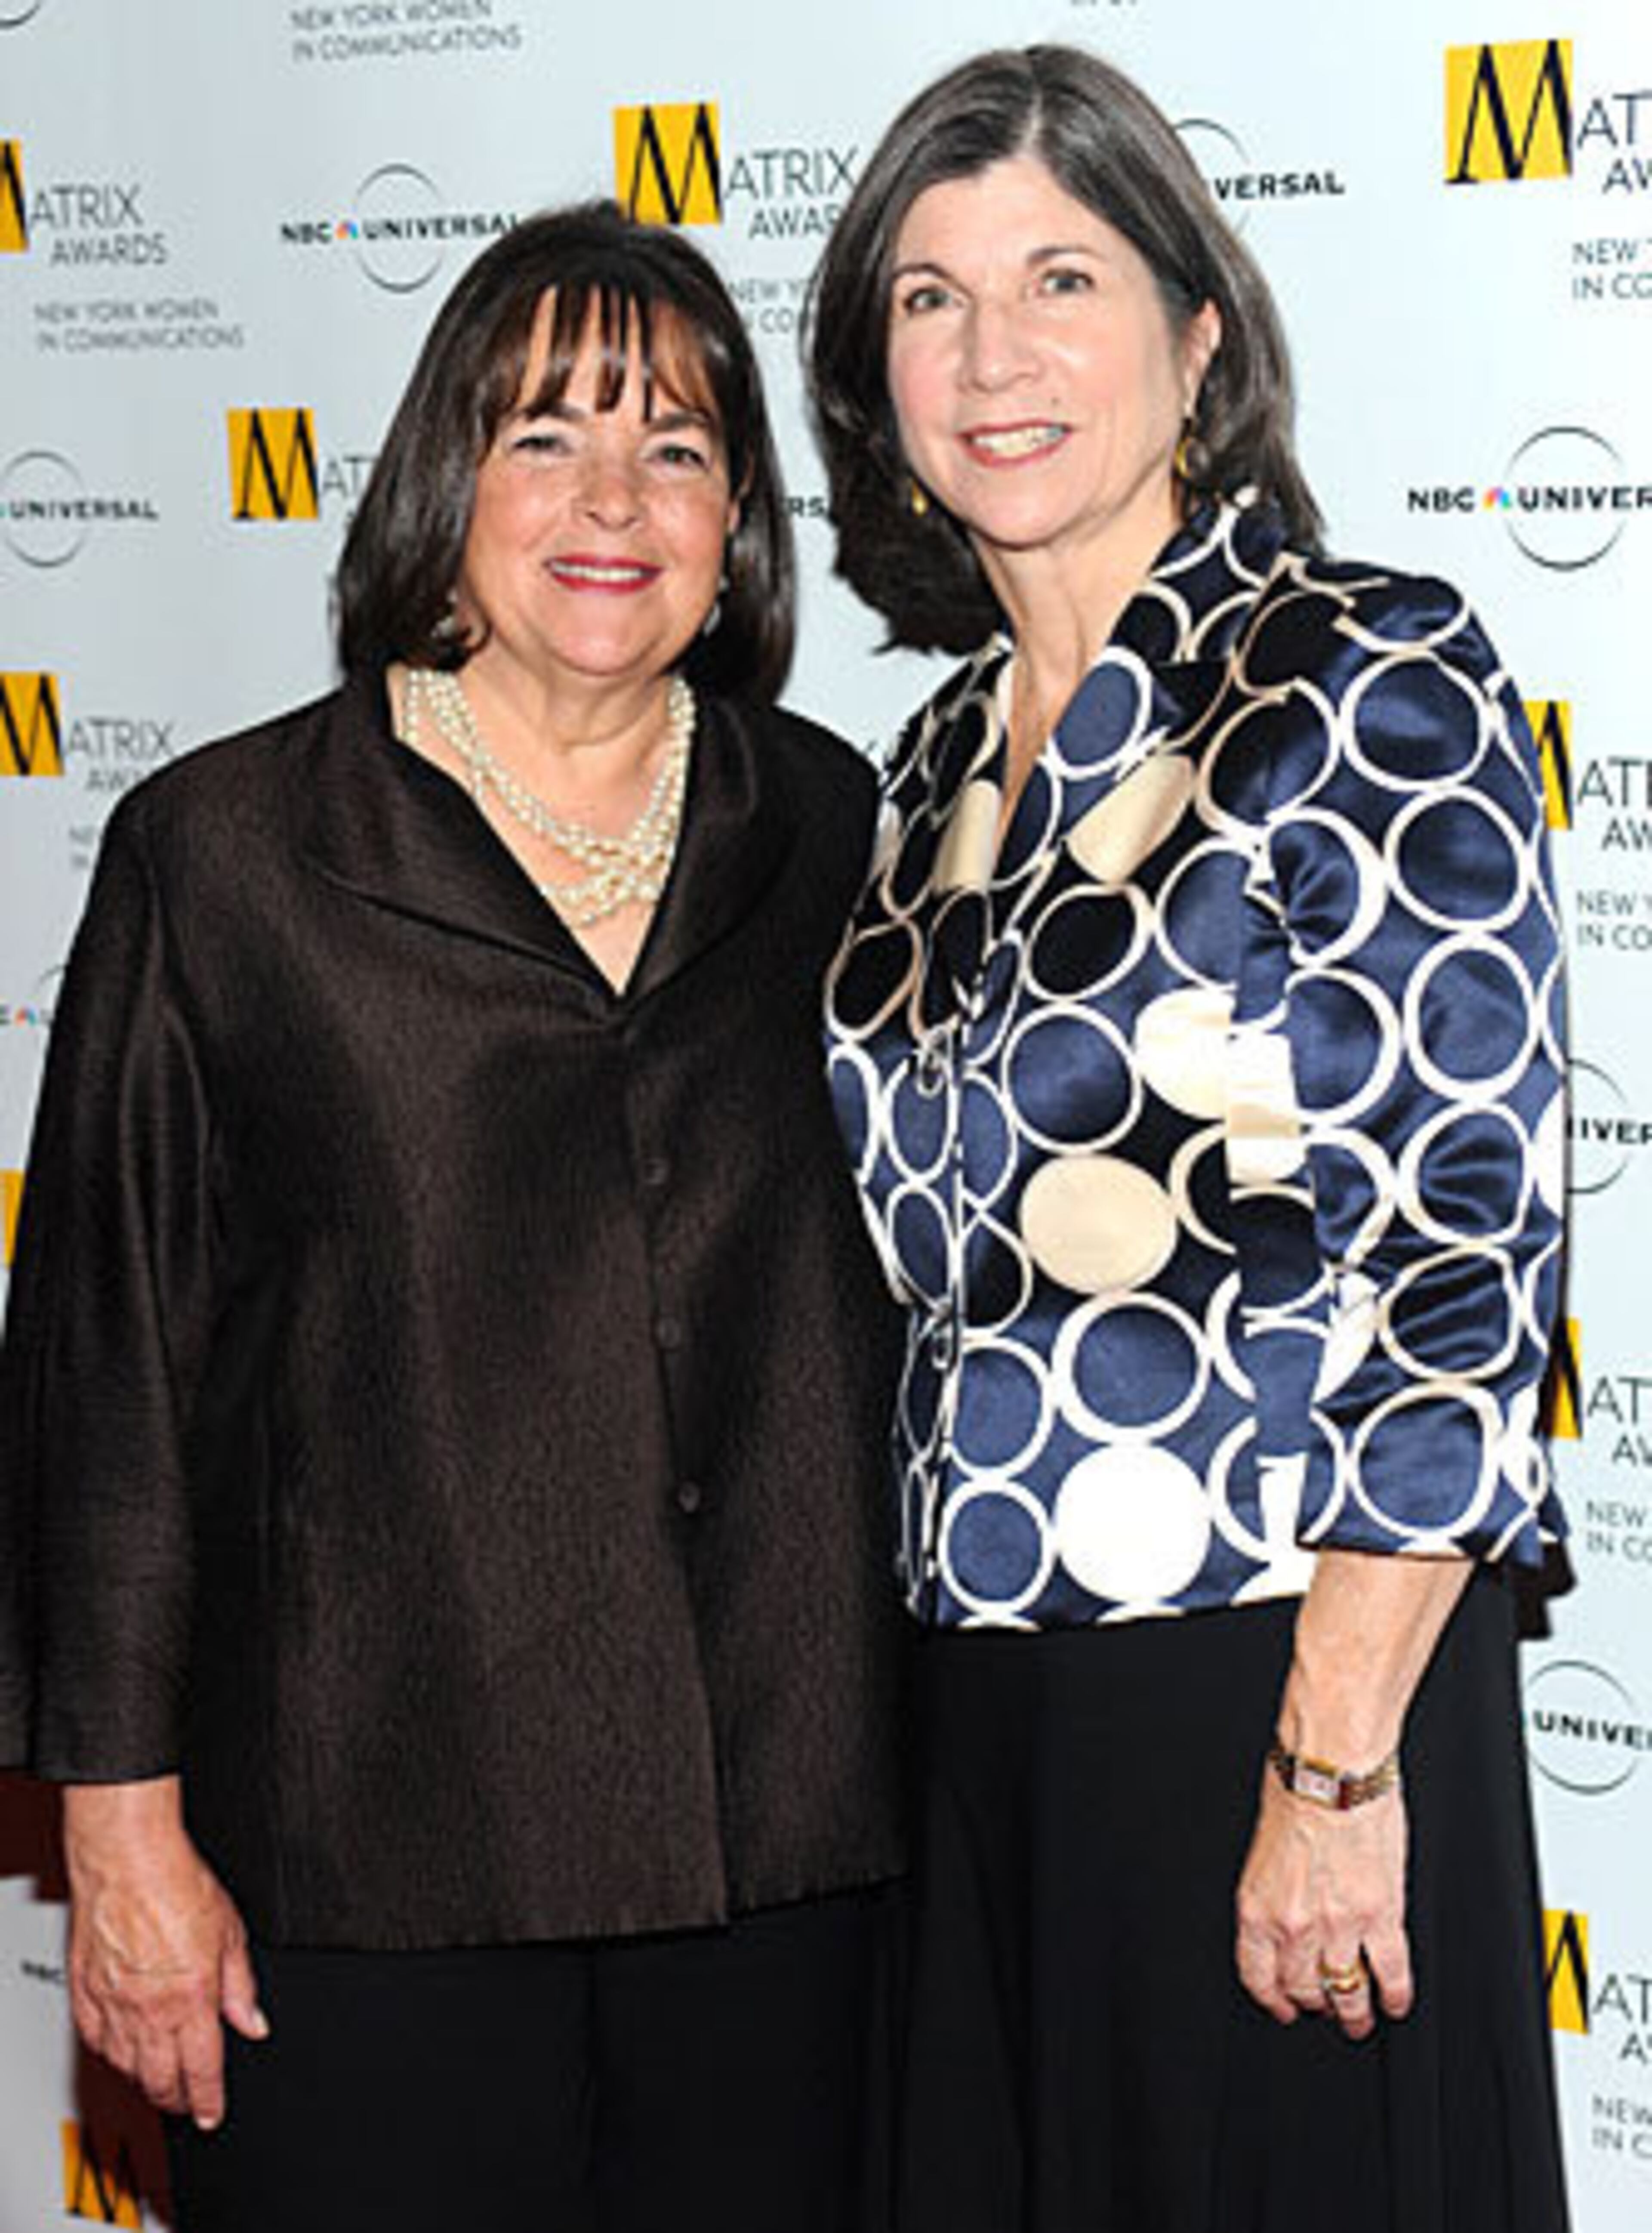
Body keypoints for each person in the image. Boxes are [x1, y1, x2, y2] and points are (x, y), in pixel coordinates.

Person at [0, 200, 905, 2233]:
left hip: (782, 1848)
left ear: (742, 517)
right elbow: (109, 1377)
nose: (615, 500)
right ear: (443, 480)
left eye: (678, 447)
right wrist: (123, 1841)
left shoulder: (833, 822)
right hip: (368, 1856)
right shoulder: (226, 853)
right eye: (546, 435)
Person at [809, 44, 1568, 2233]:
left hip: (1273, 1674)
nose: (995, 352)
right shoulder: (932, 756)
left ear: (1198, 330)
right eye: (929, 299)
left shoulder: (1361, 678)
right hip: (975, 1722)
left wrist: (1331, 1766)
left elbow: (1463, 1261)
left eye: (1062, 276)